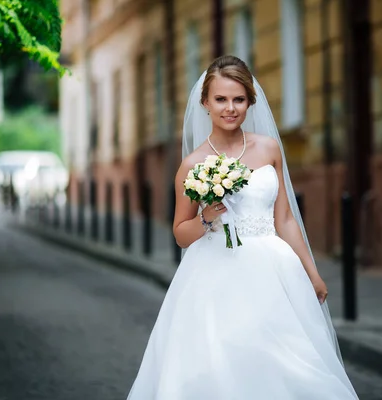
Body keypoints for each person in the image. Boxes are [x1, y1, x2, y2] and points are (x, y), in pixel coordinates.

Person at [126, 55, 358, 399]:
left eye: (238, 99)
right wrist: (207, 217)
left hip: (274, 271)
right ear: (205, 103)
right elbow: (180, 233)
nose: (230, 108)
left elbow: (286, 220)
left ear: (250, 101)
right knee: (222, 360)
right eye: (220, 99)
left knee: (285, 359)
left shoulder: (269, 149)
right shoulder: (192, 165)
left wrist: (312, 273)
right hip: (214, 274)